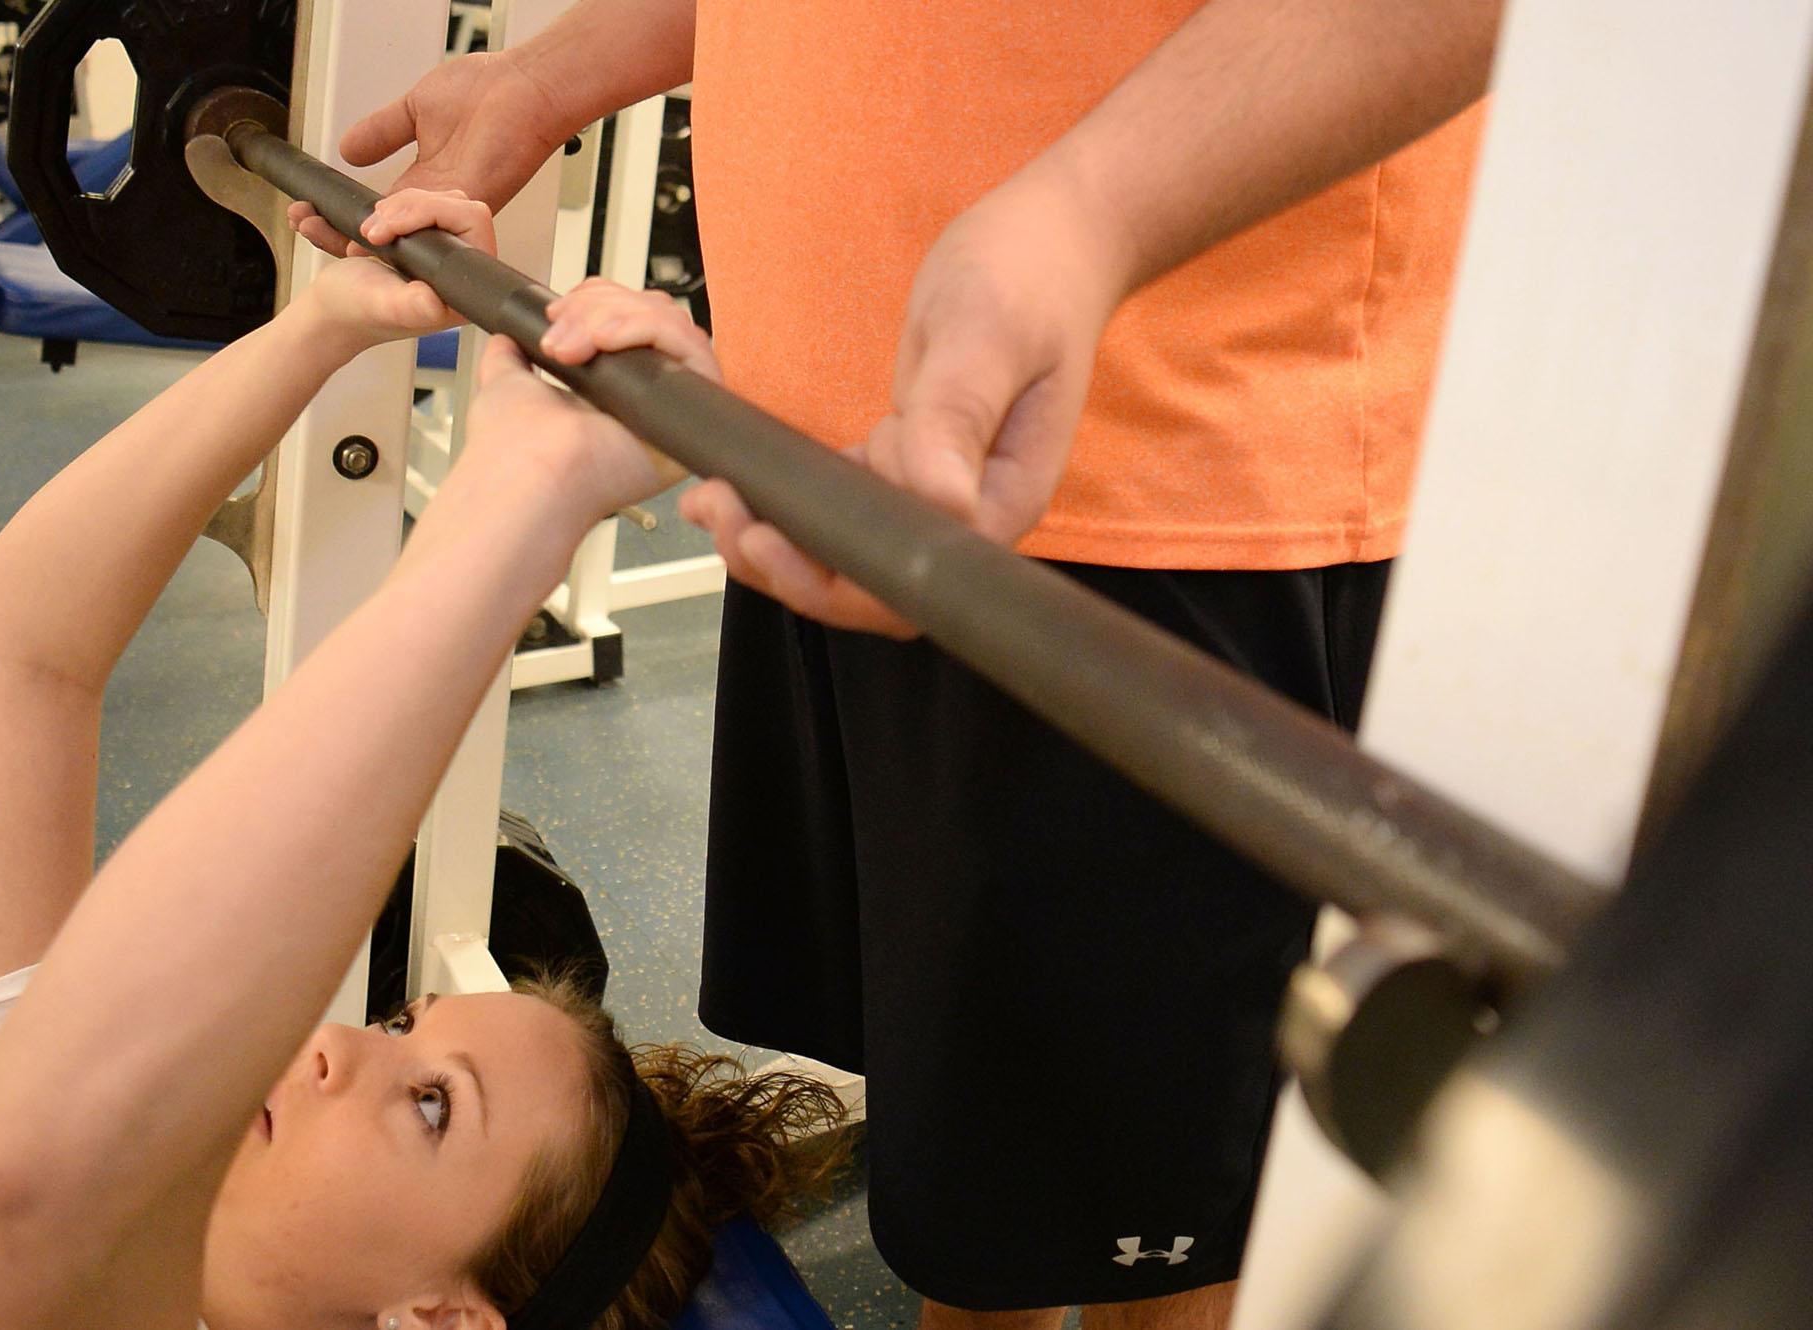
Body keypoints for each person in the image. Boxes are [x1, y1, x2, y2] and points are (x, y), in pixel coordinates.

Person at [330, 3, 1503, 1328]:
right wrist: (548, 76)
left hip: (1151, 478)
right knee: (970, 1198)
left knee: (1163, 1257)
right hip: (837, 454)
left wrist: (1084, 213)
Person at [0, 190, 844, 1330]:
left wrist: (523, 498)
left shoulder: (78, 1213)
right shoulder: (55, 1096)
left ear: (440, 1318)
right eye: (400, 1026)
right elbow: (22, 656)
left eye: (434, 1107)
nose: (327, 1047)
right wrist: (323, 327)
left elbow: (31, 1177)